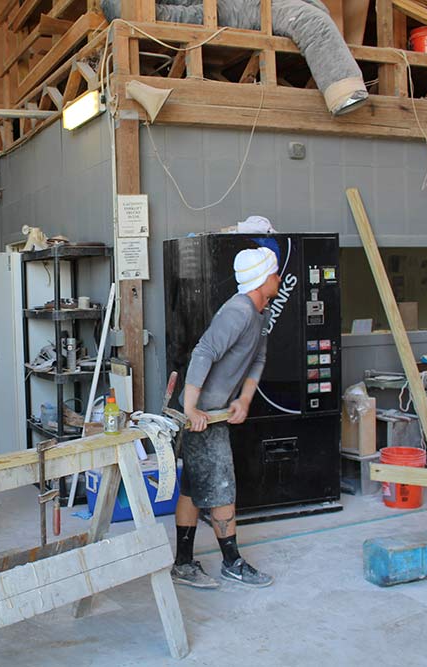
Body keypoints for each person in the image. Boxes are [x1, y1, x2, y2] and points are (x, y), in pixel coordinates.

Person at [171, 246, 280, 590]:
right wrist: (190, 409)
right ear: (263, 279)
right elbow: (203, 352)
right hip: (202, 415)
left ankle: (184, 563)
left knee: (192, 487)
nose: (278, 278)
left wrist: (244, 400)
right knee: (221, 488)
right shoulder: (239, 312)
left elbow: (258, 359)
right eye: (275, 273)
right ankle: (232, 562)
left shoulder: (259, 313)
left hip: (215, 412)